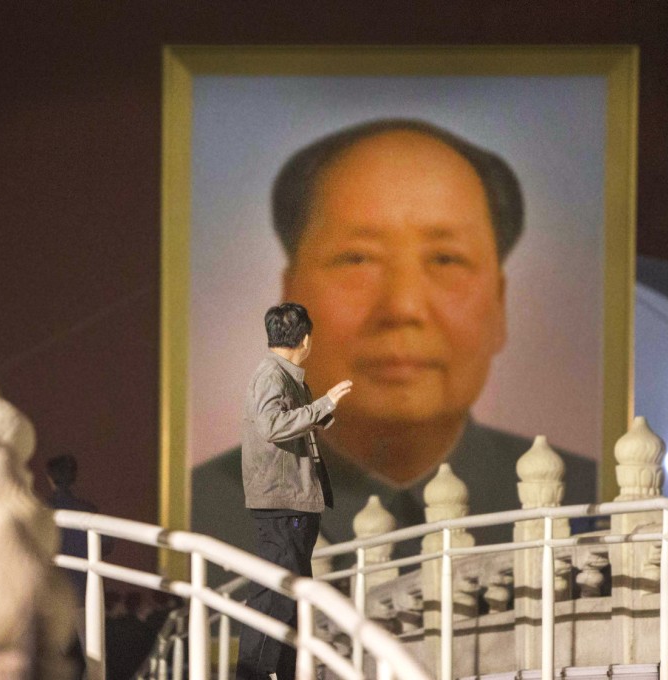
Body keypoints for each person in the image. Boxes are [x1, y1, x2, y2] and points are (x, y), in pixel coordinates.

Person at [193, 119, 597, 561]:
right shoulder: (199, 513)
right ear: (291, 298)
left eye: (446, 259)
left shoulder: (590, 501)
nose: (402, 307)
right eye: (357, 258)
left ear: (499, 303)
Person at [235, 302, 352, 680]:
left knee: (288, 598)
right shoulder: (272, 374)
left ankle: (282, 672)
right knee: (276, 598)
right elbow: (272, 425)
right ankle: (253, 674)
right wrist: (325, 404)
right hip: (282, 501)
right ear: (305, 338)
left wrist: (322, 411)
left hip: (291, 501)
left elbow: (287, 421)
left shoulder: (284, 375)